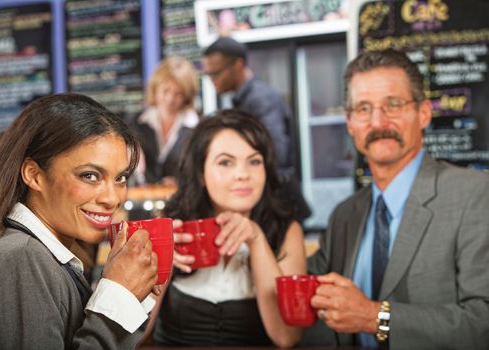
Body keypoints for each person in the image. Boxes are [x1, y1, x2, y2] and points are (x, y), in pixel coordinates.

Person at [307, 49, 489, 349]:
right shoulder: (345, 215)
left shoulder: (474, 196)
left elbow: (483, 323)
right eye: (363, 109)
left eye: (393, 104)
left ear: (424, 113)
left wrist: (374, 317)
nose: (378, 122)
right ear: (350, 122)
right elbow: (310, 312)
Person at [0, 93, 161, 349]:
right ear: (34, 175)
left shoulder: (46, 253)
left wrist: (132, 289)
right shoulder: (21, 257)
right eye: (90, 175)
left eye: (120, 178)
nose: (112, 198)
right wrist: (118, 294)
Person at [152, 110, 307, 347]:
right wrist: (160, 262)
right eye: (226, 162)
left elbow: (287, 337)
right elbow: (135, 336)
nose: (243, 175)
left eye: (254, 161)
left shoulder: (287, 230)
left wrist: (256, 239)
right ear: (201, 173)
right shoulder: (172, 223)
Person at [202, 36, 311, 222]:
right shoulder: (248, 98)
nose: (211, 80)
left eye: (216, 73)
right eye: (208, 74)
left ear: (238, 65)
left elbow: (276, 154)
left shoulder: (261, 99)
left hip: (277, 208)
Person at [130, 56, 199, 185]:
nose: (170, 99)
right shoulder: (136, 123)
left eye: (178, 94)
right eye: (165, 91)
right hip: (144, 199)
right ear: (155, 89)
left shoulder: (197, 129)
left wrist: (181, 182)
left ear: (187, 96)